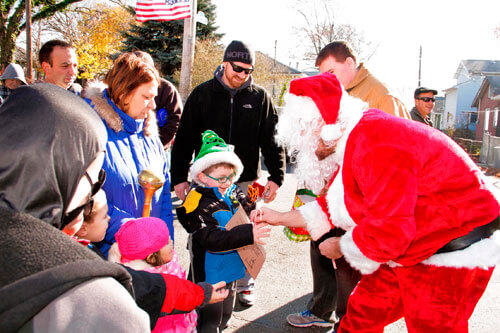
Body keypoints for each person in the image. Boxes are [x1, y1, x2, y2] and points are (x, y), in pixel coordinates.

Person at [253, 73, 500, 332]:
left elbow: (391, 233)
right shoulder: (353, 141)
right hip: (409, 247)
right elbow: (330, 207)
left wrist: (341, 246)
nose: (306, 148)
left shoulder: (374, 140)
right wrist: (278, 217)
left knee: (431, 324)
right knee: (362, 316)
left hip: (451, 247)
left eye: (304, 134)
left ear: (323, 125)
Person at [0, 84, 228, 332]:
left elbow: (142, 285)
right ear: (62, 176)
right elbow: (129, 288)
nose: (95, 192)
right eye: (92, 178)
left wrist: (199, 293)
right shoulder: (95, 300)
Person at [286, 40, 411, 329]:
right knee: (320, 246)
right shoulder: (336, 91)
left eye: (331, 71)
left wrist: (332, 147)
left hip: (360, 198)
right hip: (331, 190)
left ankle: (349, 321)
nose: (327, 79)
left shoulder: (381, 95)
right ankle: (320, 311)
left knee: (349, 264)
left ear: (350, 64)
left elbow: (392, 151)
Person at [171, 40, 286, 305]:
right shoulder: (202, 94)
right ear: (224, 63)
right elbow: (184, 138)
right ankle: (200, 284)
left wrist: (277, 178)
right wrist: (178, 178)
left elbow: (272, 140)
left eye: (248, 70)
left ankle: (244, 283)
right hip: (204, 182)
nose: (243, 75)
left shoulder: (260, 97)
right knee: (203, 232)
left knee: (245, 230)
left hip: (247, 182)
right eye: (237, 68)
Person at [176, 130, 270, 332]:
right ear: (201, 176)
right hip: (210, 271)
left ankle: (224, 324)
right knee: (210, 318)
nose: (227, 183)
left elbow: (241, 209)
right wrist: (248, 234)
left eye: (231, 177)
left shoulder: (231, 189)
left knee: (227, 308)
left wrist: (252, 204)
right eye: (221, 178)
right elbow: (210, 239)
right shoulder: (196, 201)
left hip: (232, 263)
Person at [83, 52, 174, 257]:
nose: (153, 106)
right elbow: (85, 199)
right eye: (146, 97)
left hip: (153, 255)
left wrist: (164, 242)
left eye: (154, 97)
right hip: (110, 256)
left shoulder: (150, 135)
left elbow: (165, 195)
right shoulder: (92, 131)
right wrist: (134, 233)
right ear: (124, 93)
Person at [109, 217, 198, 333]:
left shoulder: (167, 262)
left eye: (169, 238)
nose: (171, 242)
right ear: (151, 258)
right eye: (166, 243)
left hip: (183, 323)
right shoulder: (147, 285)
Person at [134, 51, 183, 150]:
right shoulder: (128, 91)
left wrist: (158, 144)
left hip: (160, 147)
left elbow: (175, 118)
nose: (152, 105)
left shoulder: (167, 89)